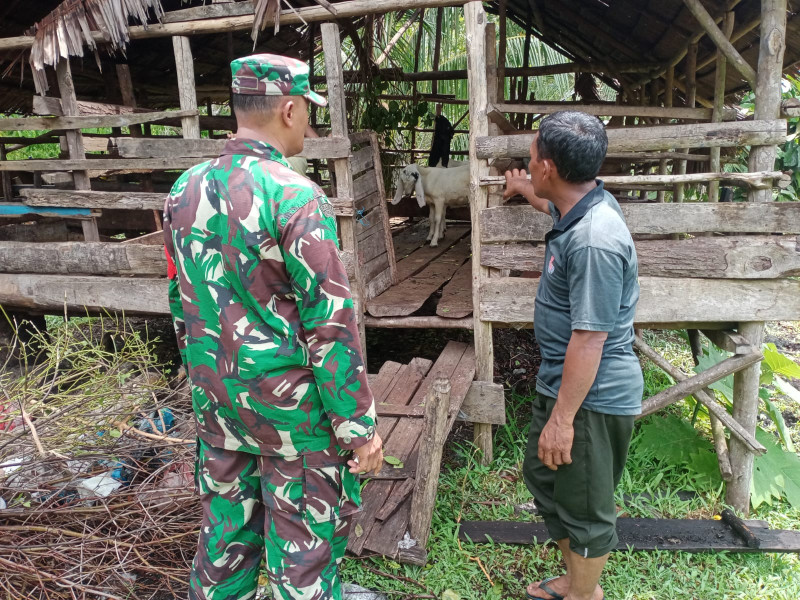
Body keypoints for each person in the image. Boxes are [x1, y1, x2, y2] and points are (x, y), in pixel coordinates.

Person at [163, 53, 383, 600]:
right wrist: (359, 429)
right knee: (303, 568)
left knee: (222, 556)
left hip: (218, 405)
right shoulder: (295, 196)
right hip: (294, 423)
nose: (309, 121)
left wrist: (204, 390)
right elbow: (331, 324)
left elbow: (181, 304)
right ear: (289, 109)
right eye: (308, 109)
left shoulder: (182, 192)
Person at [503, 111, 643, 600]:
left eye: (531, 154)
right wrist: (522, 190)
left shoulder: (594, 242)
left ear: (549, 168)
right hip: (563, 382)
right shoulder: (579, 206)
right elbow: (554, 208)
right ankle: (574, 579)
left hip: (591, 394)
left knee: (584, 503)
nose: (527, 160)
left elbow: (590, 339)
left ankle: (584, 593)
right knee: (542, 477)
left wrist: (563, 419)